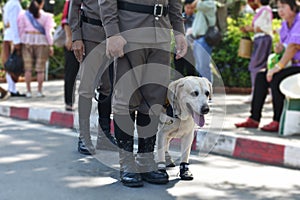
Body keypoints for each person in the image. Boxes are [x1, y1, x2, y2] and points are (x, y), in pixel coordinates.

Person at [99, 0, 187, 187]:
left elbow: (175, 2)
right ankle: (127, 163)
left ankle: (145, 160)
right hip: (129, 33)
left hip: (161, 36)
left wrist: (179, 31)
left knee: (154, 99)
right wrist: (112, 33)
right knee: (126, 99)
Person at [235, 0, 300, 132]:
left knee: (276, 77)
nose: (280, 10)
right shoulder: (284, 25)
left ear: (293, 7)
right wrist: (279, 48)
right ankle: (254, 119)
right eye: (278, 7)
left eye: (283, 7)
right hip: (290, 65)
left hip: (297, 66)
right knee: (261, 76)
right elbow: (286, 48)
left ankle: (277, 120)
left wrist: (277, 67)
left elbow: (294, 47)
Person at [69, 0, 116, 155]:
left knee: (108, 88)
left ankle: (104, 137)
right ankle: (84, 137)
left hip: (113, 39)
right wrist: (76, 37)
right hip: (91, 35)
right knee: (87, 88)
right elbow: (74, 6)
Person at [17, 0, 55, 98]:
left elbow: (20, 30)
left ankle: (29, 92)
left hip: (27, 41)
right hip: (42, 42)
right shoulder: (46, 17)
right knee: (40, 69)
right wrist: (50, 45)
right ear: (42, 3)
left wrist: (20, 42)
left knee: (28, 69)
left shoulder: (23, 15)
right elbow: (48, 32)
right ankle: (39, 91)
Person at [241, 0, 273, 103]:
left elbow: (263, 28)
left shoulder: (265, 10)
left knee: (256, 66)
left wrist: (251, 28)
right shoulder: (262, 10)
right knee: (261, 67)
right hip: (261, 39)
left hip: (263, 39)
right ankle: (266, 92)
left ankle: (256, 93)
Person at [2, 0, 25, 97]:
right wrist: (17, 41)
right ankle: (12, 89)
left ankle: (12, 88)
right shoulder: (15, 4)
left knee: (9, 63)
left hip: (8, 35)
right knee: (13, 63)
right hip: (12, 36)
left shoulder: (10, 3)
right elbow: (14, 23)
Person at [191, 0, 217, 83]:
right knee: (199, 67)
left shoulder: (209, 3)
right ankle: (203, 89)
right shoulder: (203, 5)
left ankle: (207, 91)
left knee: (203, 67)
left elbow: (193, 4)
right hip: (198, 39)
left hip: (204, 39)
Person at [61, 0, 80, 111]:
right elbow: (65, 19)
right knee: (71, 72)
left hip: (91, 36)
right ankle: (69, 102)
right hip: (73, 39)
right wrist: (69, 37)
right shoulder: (70, 1)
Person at [174, 0, 198, 78]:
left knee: (190, 71)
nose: (189, 10)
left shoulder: (197, 19)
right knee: (178, 71)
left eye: (191, 8)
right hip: (178, 47)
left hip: (190, 48)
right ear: (184, 7)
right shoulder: (179, 18)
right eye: (187, 8)